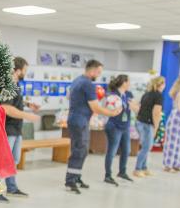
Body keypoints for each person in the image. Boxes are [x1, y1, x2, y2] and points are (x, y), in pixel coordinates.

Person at [65, 59, 122, 194]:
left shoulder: (77, 80)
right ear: (92, 70)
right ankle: (70, 181)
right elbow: (95, 107)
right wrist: (112, 113)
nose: (99, 74)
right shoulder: (88, 84)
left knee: (81, 150)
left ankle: (76, 177)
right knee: (80, 150)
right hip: (79, 121)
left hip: (76, 119)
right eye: (99, 72)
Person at [0, 56, 40, 201]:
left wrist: (28, 105)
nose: (25, 73)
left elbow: (14, 102)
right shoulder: (8, 85)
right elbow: (6, 107)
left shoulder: (15, 85)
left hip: (16, 129)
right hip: (7, 129)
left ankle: (12, 188)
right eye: (24, 70)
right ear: (17, 70)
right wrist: (28, 116)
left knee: (13, 160)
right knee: (3, 160)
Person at [103, 74, 134, 186]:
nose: (130, 84)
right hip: (114, 126)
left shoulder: (128, 95)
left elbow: (132, 108)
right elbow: (108, 108)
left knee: (127, 150)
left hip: (125, 126)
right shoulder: (113, 96)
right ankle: (108, 175)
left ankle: (122, 172)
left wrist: (134, 107)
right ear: (124, 82)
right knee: (112, 152)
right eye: (129, 81)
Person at [134, 76, 165, 178]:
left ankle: (144, 167)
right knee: (147, 147)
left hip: (140, 121)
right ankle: (138, 169)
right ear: (160, 84)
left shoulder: (146, 94)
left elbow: (140, 107)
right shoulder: (158, 96)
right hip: (147, 123)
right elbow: (156, 113)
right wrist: (156, 127)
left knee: (146, 146)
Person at [162, 74, 180, 173]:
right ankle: (169, 165)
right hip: (177, 119)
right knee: (173, 142)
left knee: (179, 142)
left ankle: (176, 163)